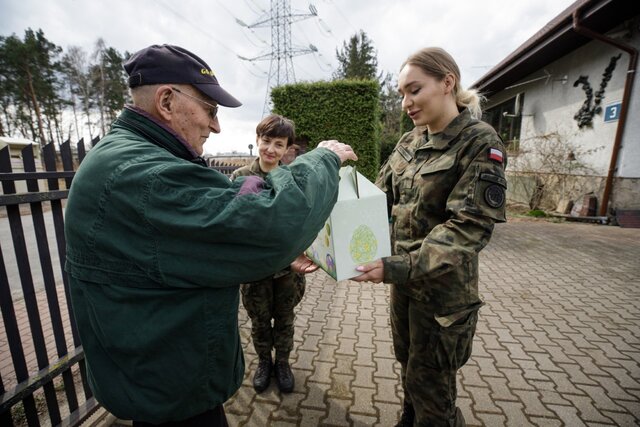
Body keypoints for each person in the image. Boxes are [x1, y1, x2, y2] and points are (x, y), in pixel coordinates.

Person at [64, 44, 357, 427]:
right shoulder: (147, 174)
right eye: (211, 110)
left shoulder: (127, 158)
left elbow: (200, 248)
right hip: (171, 388)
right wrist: (324, 158)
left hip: (157, 376)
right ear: (167, 101)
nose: (215, 125)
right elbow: (271, 226)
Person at [353, 47, 507, 427]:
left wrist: (397, 266)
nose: (405, 102)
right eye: (402, 93)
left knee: (434, 388)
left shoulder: (479, 142)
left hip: (442, 295)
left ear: (447, 83)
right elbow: (375, 197)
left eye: (414, 90)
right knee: (409, 368)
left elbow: (468, 227)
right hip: (404, 286)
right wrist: (327, 236)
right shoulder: (410, 141)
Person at [230, 114, 305, 394]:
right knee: (259, 321)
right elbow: (232, 221)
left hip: (287, 270)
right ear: (257, 141)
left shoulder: (292, 178)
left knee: (285, 319)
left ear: (287, 149)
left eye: (278, 144)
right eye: (266, 141)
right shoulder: (241, 178)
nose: (271, 150)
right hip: (255, 270)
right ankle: (264, 362)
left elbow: (301, 220)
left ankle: (283, 363)